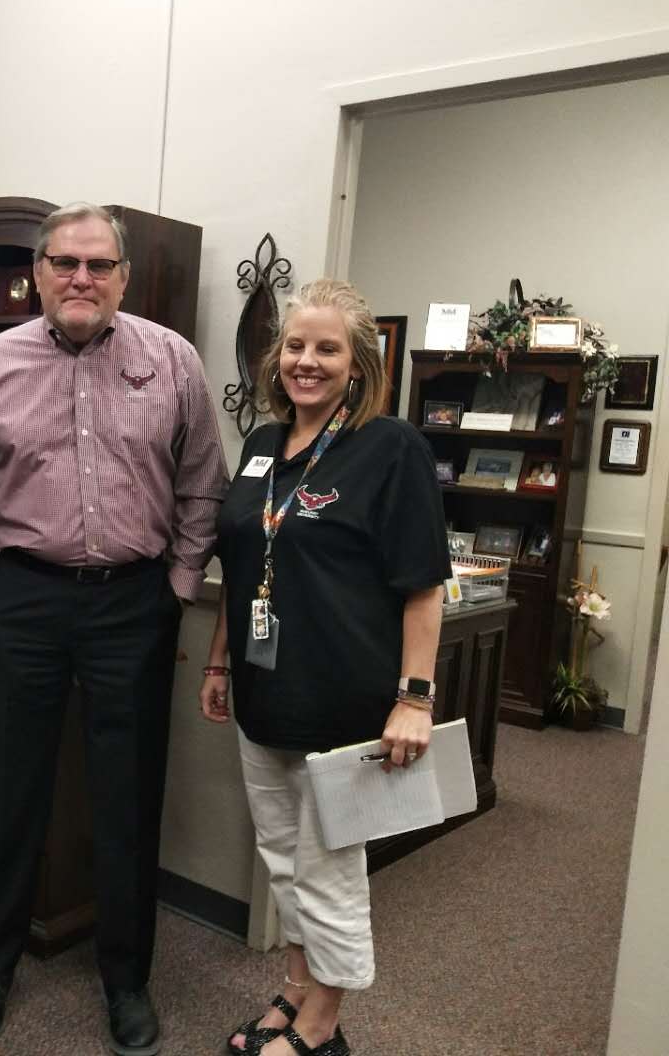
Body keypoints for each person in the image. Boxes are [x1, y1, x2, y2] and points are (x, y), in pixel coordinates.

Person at [0, 202, 228, 1055]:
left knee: (127, 796)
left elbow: (203, 484)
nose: (81, 278)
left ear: (124, 277)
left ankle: (126, 979)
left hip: (133, 604)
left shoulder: (171, 359)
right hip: (22, 599)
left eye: (99, 265)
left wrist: (177, 586)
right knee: (12, 788)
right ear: (37, 272)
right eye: (64, 262)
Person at [199, 279, 451, 1056]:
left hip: (345, 703)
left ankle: (322, 1025)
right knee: (283, 862)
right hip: (263, 694)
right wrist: (218, 664)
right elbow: (243, 568)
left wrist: (414, 699)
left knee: (329, 869)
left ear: (358, 364)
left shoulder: (391, 448)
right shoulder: (261, 445)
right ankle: (296, 987)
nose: (307, 362)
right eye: (296, 347)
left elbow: (423, 587)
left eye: (327, 349)